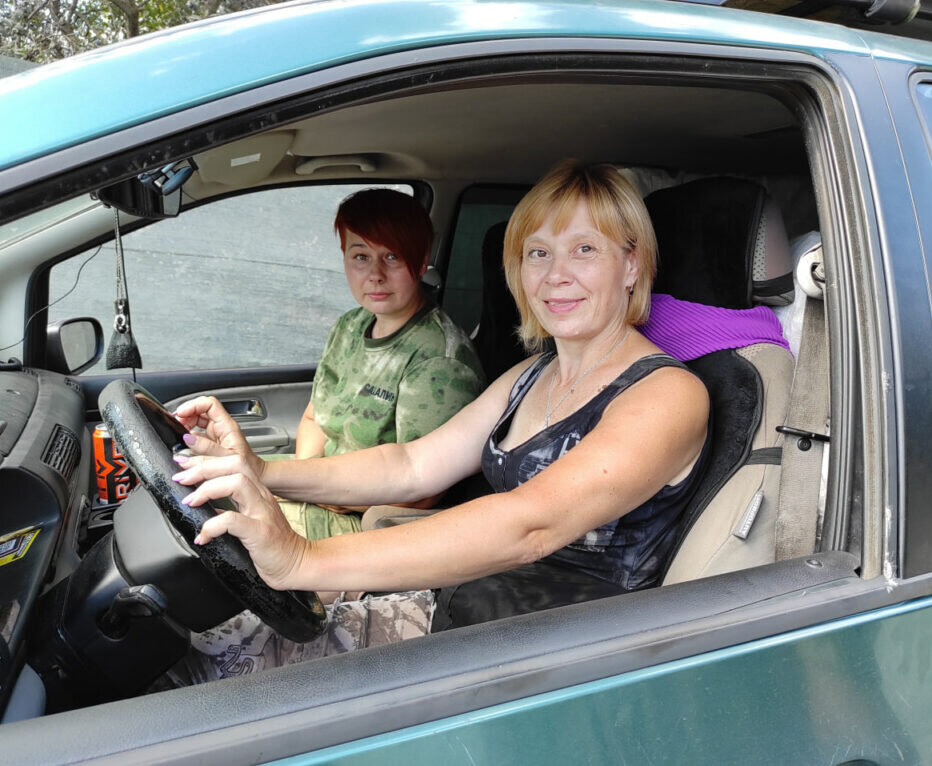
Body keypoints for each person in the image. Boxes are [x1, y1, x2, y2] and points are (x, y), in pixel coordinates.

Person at [173, 160, 710, 630]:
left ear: (632, 264)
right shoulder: (531, 375)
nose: (555, 275)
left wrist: (304, 559)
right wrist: (263, 471)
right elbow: (411, 465)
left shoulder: (666, 393)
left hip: (560, 649)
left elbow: (531, 525)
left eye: (584, 249)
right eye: (538, 252)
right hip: (471, 606)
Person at [280, 188, 485, 540]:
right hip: (322, 491)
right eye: (360, 256)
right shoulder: (350, 326)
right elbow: (315, 418)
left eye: (392, 256)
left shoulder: (438, 360)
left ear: (420, 262)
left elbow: (421, 492)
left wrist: (324, 492)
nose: (374, 274)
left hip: (371, 523)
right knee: (210, 482)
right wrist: (306, 478)